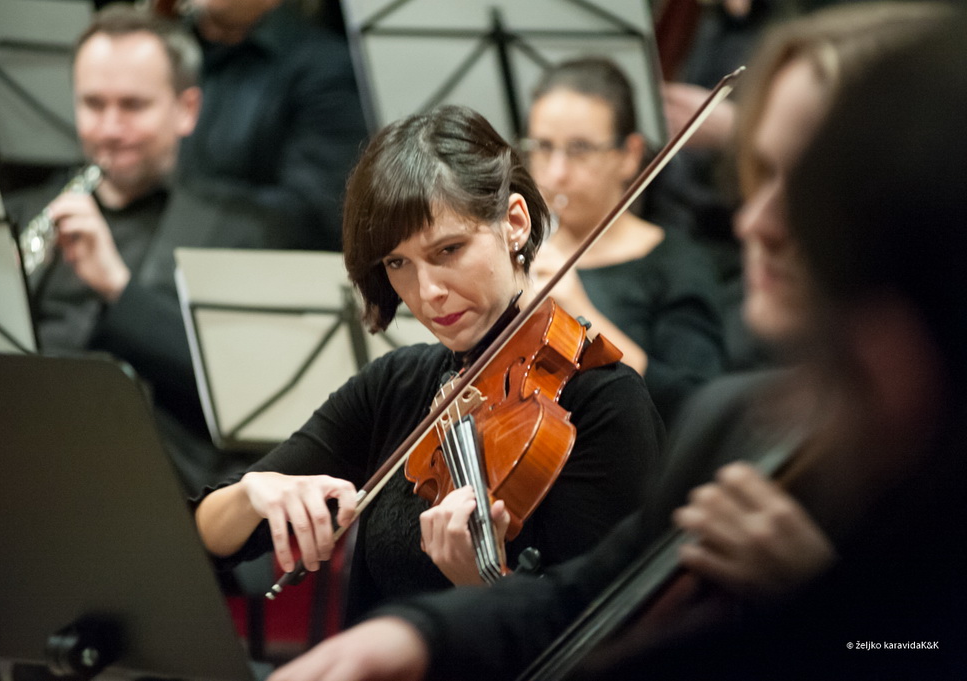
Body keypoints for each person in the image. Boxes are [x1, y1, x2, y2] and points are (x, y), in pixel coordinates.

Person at [265, 4, 961, 680]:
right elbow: (584, 597)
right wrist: (413, 634)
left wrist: (825, 606)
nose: (755, 220)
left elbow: (919, 646)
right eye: (757, 174)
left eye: (809, 182)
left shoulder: (627, 387)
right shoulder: (735, 422)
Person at [191, 104, 665, 625]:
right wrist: (252, 494)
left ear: (514, 222)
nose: (428, 292)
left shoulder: (601, 402)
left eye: (448, 250)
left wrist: (481, 583)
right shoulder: (396, 385)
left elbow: (603, 635)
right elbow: (201, 537)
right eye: (398, 264)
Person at [4, 4, 276, 495]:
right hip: (10, 458)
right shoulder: (17, 212)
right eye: (93, 104)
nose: (109, 128)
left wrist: (119, 287)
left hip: (149, 485)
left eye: (132, 106)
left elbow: (248, 392)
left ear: (186, 110)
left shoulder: (239, 231)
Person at [525, 57, 726, 429]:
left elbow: (698, 404)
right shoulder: (523, 254)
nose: (556, 173)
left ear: (629, 155)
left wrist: (581, 315)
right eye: (543, 147)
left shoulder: (677, 263)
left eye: (580, 149)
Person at [177, 0, 368, 251]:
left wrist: (178, 201)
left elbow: (319, 212)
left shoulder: (325, 66)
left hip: (254, 267)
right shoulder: (159, 48)